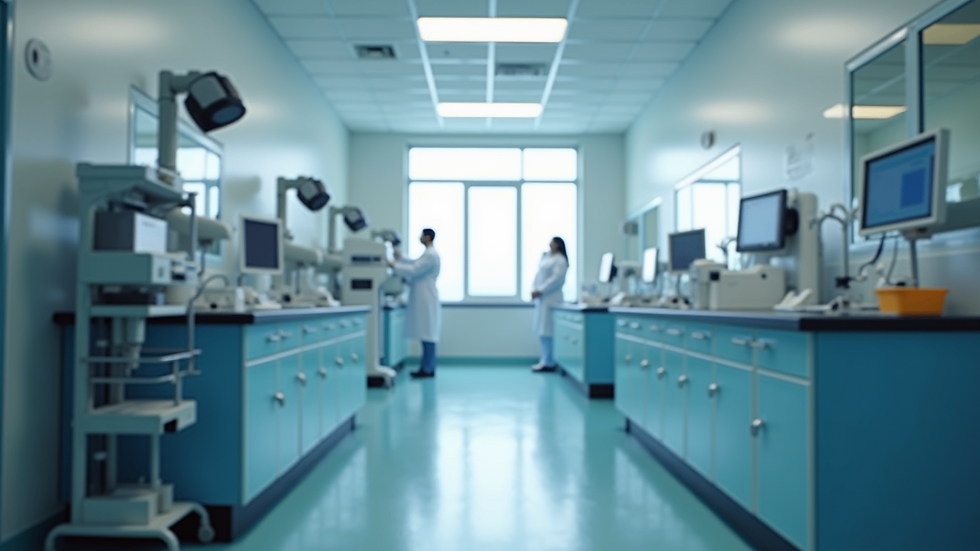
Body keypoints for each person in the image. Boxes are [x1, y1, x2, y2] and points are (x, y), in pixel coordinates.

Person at [390, 228, 441, 379]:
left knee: (428, 335)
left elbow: (414, 269)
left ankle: (427, 368)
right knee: (427, 334)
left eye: (422, 235)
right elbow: (415, 262)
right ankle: (427, 367)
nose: (420, 237)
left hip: (426, 298)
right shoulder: (428, 254)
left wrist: (393, 265)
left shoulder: (431, 254)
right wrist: (401, 257)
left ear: (427, 237)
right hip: (423, 297)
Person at [530, 237, 569, 372]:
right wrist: (535, 289)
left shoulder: (560, 260)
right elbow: (538, 275)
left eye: (552, 241)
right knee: (541, 330)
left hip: (552, 299)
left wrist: (540, 290)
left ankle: (550, 361)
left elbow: (556, 279)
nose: (549, 244)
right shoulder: (546, 257)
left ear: (558, 244)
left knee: (548, 331)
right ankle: (545, 360)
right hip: (542, 299)